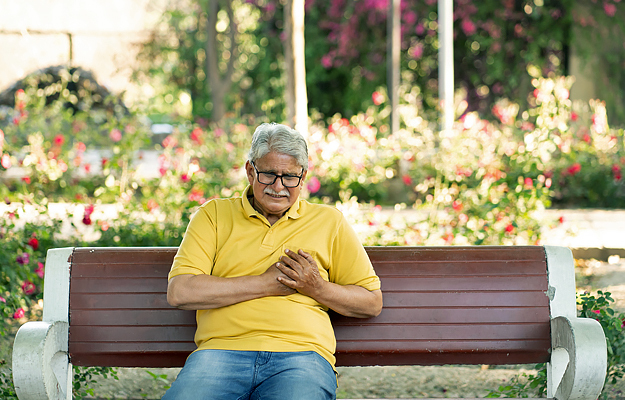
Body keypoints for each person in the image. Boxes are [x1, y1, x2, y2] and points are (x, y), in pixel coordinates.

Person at [163, 122, 383, 400]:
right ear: (250, 171)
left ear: (303, 178)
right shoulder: (214, 215)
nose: (278, 187)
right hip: (220, 352)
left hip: (301, 357)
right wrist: (266, 284)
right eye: (268, 174)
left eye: (290, 177)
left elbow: (371, 302)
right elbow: (181, 291)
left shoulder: (330, 222)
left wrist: (315, 287)